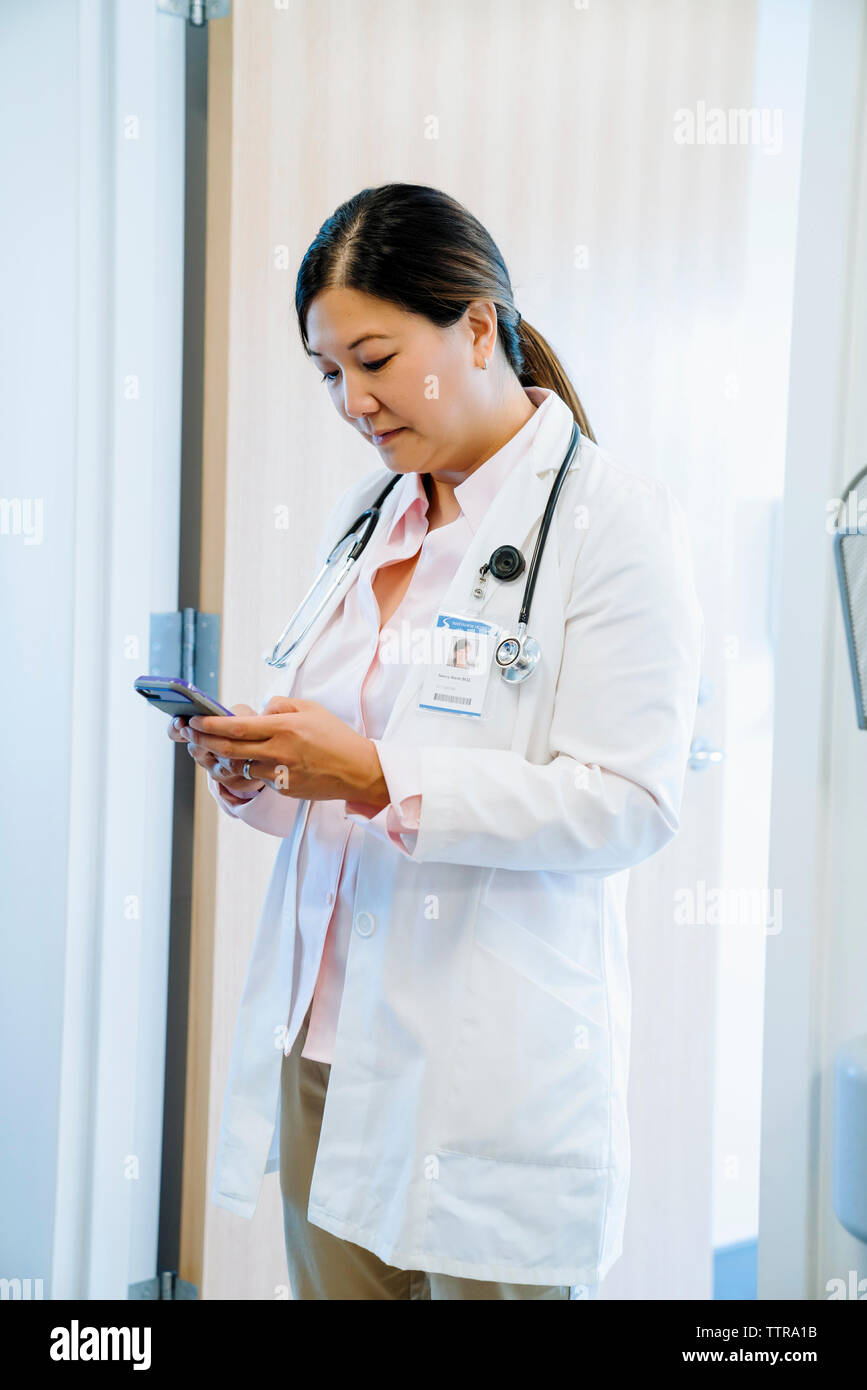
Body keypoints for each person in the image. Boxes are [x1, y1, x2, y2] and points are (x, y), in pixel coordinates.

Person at [169, 182, 704, 1301]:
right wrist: (258, 765)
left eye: (372, 358)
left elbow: (629, 802)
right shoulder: (370, 517)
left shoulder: (612, 523)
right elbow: (325, 767)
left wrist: (371, 776)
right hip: (323, 1047)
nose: (355, 401)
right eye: (328, 374)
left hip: (486, 1073)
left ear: (473, 323)